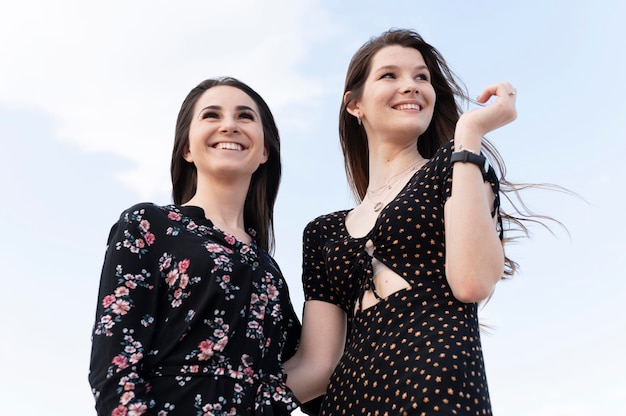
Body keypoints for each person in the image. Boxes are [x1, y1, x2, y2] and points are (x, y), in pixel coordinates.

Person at [284, 28, 538, 415]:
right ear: (354, 105)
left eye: (422, 77)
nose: (412, 86)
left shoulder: (456, 169)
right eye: (390, 75)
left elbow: (472, 283)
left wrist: (468, 134)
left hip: (438, 392)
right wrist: (219, 396)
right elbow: (315, 367)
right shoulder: (323, 231)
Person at [89, 77, 303, 415]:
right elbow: (116, 370)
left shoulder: (269, 273)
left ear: (264, 152)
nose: (230, 125)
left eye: (245, 116)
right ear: (186, 147)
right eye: (212, 115)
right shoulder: (148, 226)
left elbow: (310, 371)